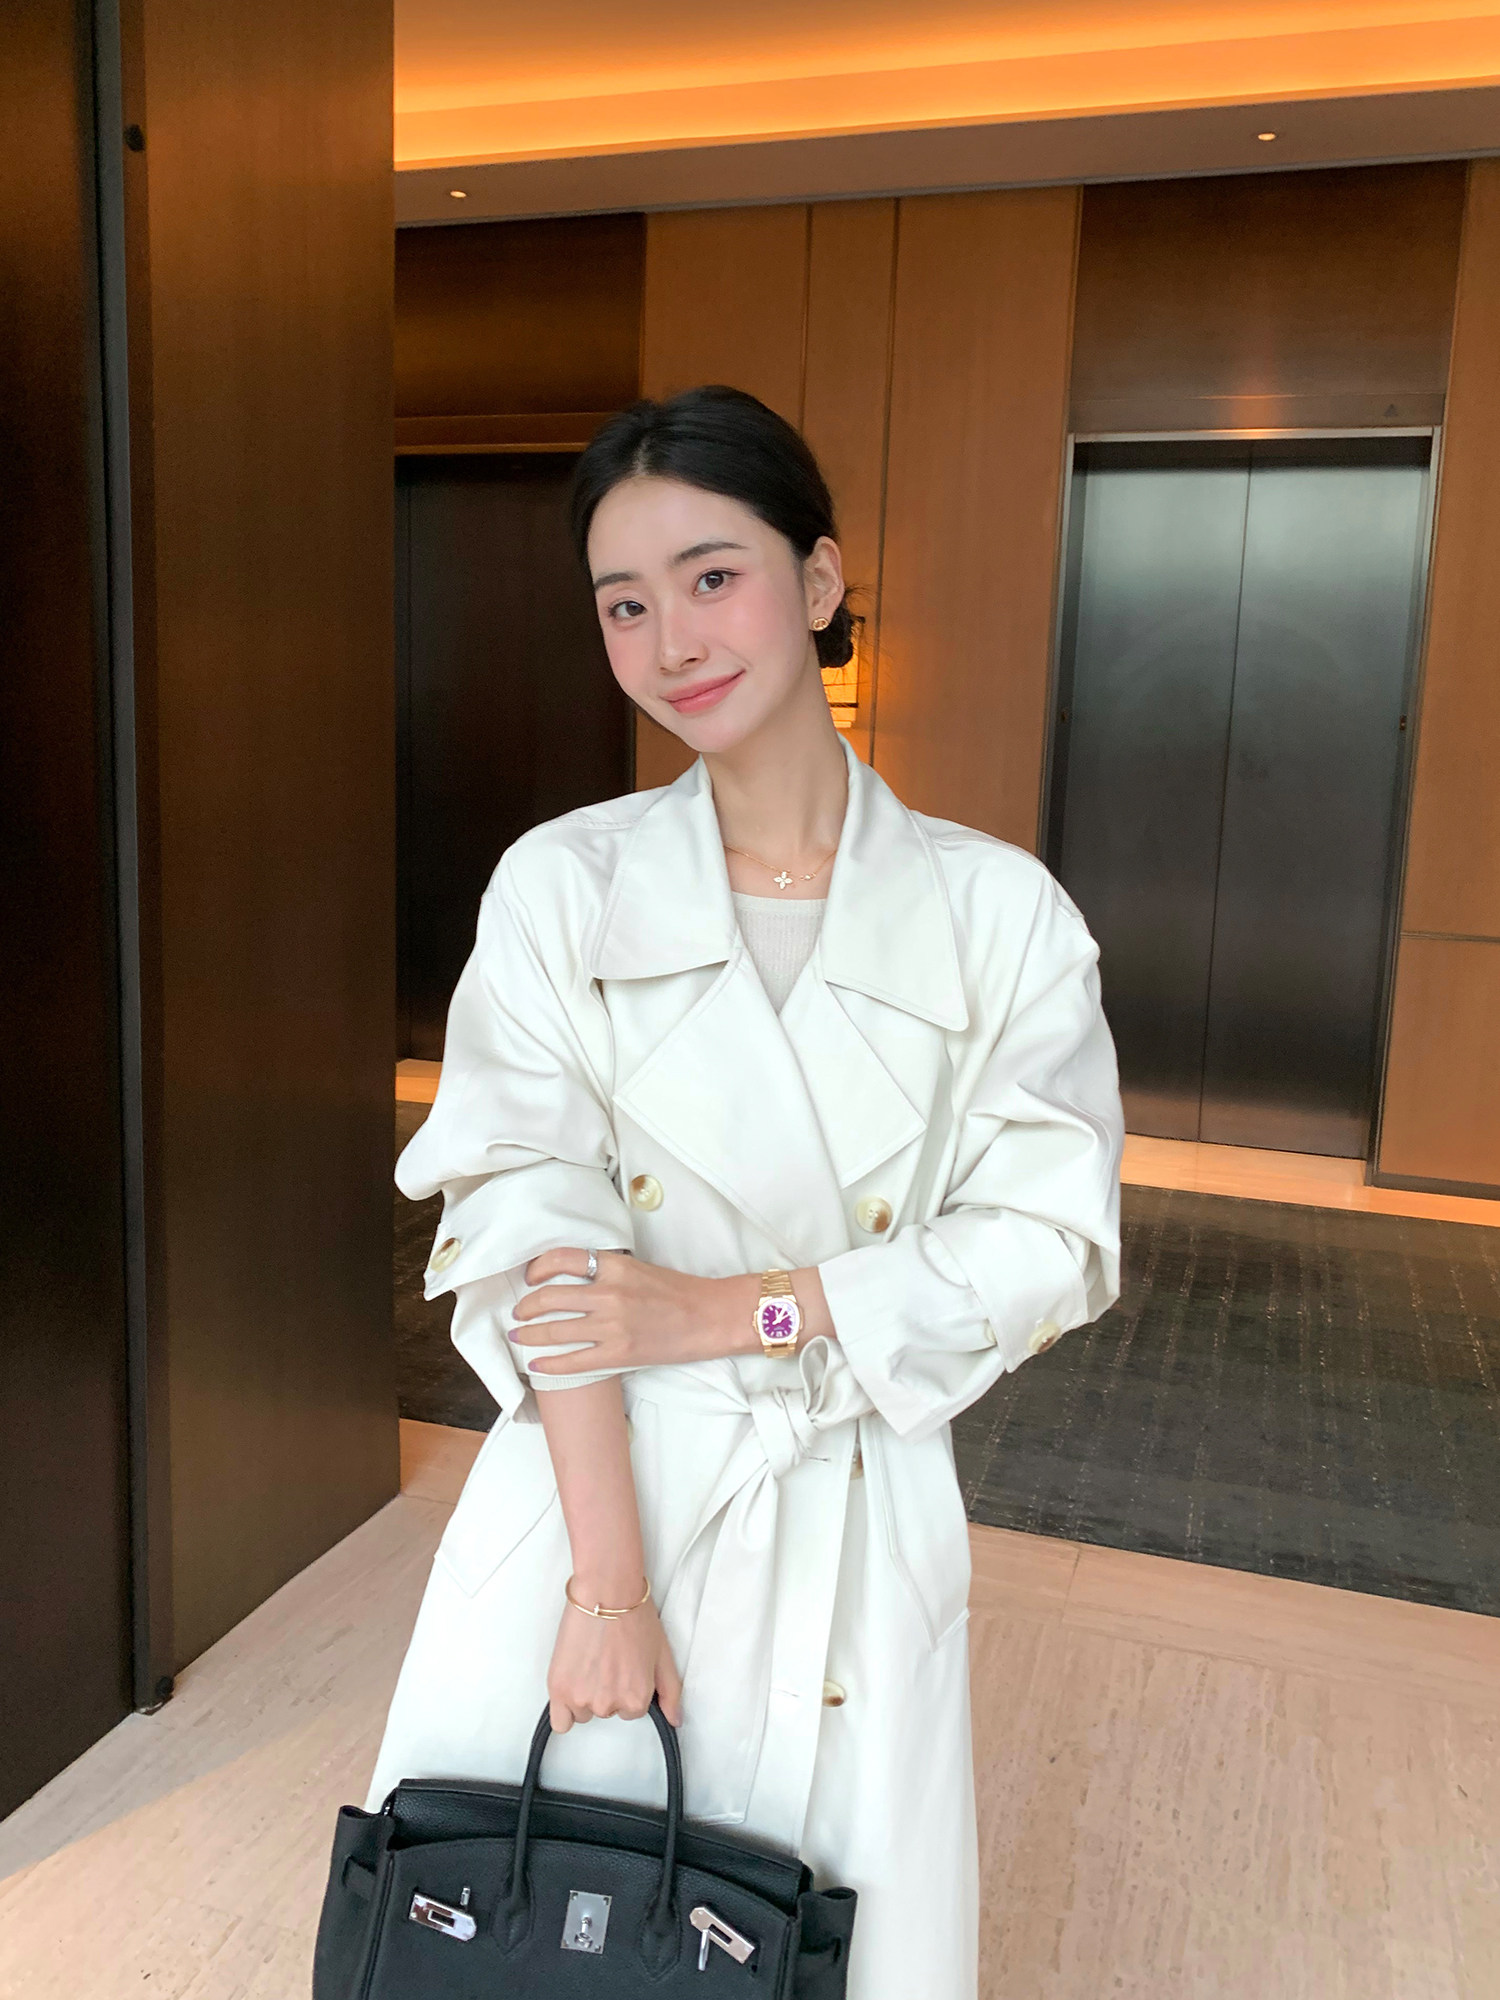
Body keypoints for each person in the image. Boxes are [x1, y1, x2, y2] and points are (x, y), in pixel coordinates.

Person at [364, 385, 1123, 1997]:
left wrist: (732, 1311)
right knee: (541, 1931)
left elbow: (1048, 1242)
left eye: (713, 577)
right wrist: (607, 1590)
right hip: (595, 1497)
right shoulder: (563, 886)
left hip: (851, 1497)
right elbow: (535, 1237)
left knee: (813, 1941)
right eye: (624, 604)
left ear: (820, 579)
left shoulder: (999, 915)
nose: (671, 641)